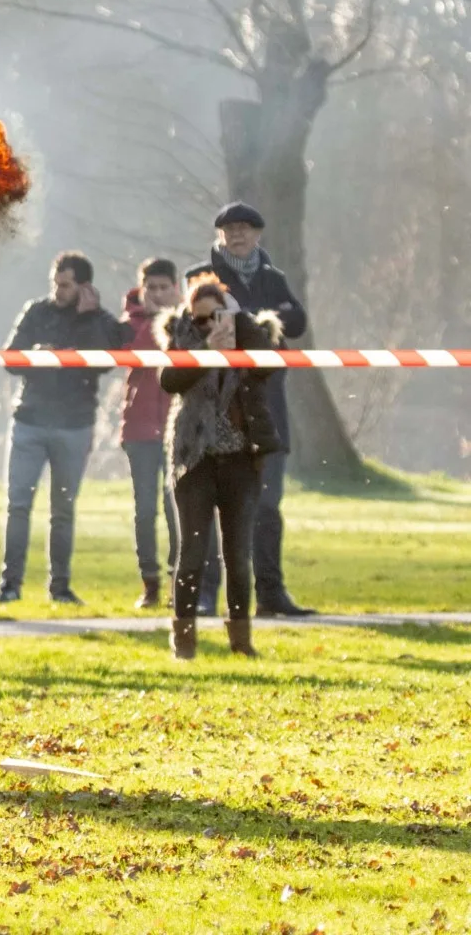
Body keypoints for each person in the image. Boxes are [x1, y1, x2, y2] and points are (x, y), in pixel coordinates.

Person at [186, 202, 315, 618]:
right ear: (219, 234)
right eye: (229, 229)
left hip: (265, 406)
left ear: (258, 234)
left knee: (267, 504)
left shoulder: (272, 277)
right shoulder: (199, 277)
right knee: (207, 506)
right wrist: (252, 324)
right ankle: (204, 594)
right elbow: (196, 326)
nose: (237, 235)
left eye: (245, 228)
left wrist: (262, 318)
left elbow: (296, 321)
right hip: (215, 407)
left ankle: (272, 594)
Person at [0, 250, 129, 605]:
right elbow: (10, 358)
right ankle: (10, 585)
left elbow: (104, 362)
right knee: (18, 504)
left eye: (65, 284)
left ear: (84, 287)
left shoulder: (99, 320)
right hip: (30, 420)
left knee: (63, 511)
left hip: (75, 424)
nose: (57, 290)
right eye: (55, 282)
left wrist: (89, 319)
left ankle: (60, 587)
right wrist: (36, 353)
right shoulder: (36, 311)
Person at [157, 275, 283, 659]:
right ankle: (184, 642)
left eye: (217, 317)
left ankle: (241, 642)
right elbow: (170, 380)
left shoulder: (247, 335)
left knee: (238, 555)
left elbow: (268, 368)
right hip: (194, 459)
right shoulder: (183, 336)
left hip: (241, 459)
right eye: (200, 319)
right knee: (192, 553)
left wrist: (239, 325)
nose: (209, 325)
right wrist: (207, 350)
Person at [120, 258, 183, 609]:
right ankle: (150, 583)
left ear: (175, 288)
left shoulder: (188, 321)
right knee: (145, 509)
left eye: (164, 287)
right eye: (151, 288)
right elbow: (137, 355)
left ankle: (179, 580)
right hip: (140, 426)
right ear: (142, 289)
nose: (158, 294)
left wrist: (171, 320)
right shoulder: (129, 324)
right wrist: (155, 321)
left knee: (176, 507)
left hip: (178, 425)